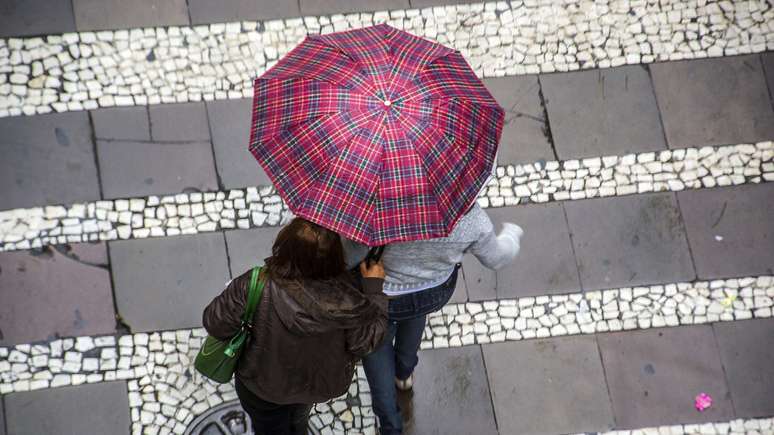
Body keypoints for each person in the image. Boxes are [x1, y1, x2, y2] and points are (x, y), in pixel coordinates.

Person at [343, 203, 523, 435]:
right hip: (432, 292)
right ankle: (404, 374)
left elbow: (348, 259)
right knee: (415, 320)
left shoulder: (373, 210)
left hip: (380, 294)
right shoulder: (466, 216)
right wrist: (511, 233)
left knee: (376, 344)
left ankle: (390, 425)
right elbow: (497, 259)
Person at [203, 217, 388, 435]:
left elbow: (215, 323)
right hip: (313, 386)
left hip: (261, 386)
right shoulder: (349, 299)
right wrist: (374, 291)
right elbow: (365, 343)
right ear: (336, 256)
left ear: (284, 247)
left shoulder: (255, 283)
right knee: (299, 417)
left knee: (268, 427)